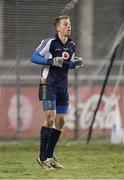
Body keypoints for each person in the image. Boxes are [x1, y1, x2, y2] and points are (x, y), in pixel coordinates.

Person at [31, 15, 84, 170]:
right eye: (66, 24)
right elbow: (34, 57)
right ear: (58, 27)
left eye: (70, 24)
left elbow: (68, 64)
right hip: (48, 83)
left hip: (62, 86)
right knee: (49, 119)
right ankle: (42, 158)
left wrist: (77, 63)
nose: (69, 27)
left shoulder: (72, 45)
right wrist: (50, 61)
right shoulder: (49, 42)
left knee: (60, 122)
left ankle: (50, 157)